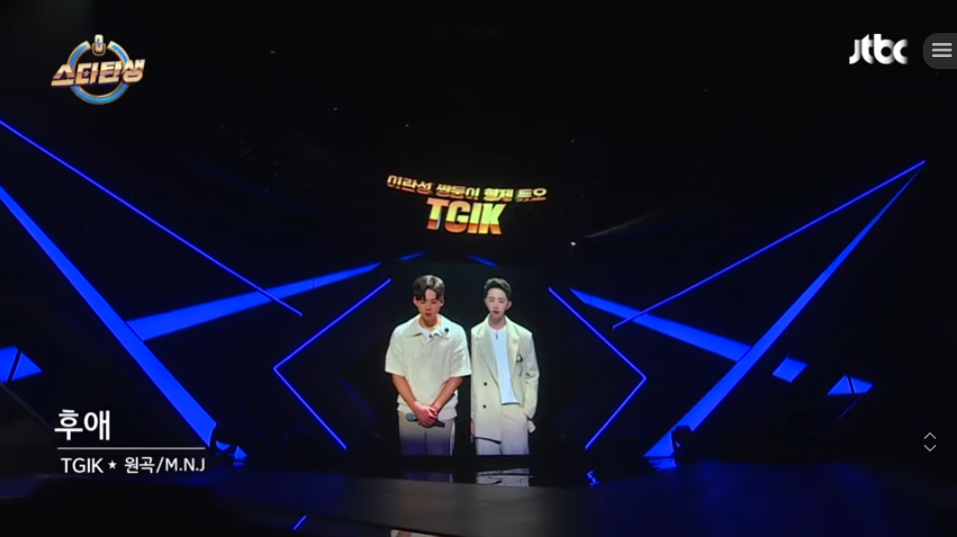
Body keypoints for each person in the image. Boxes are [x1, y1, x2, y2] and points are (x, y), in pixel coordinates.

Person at [385, 275, 471, 456]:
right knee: (412, 469)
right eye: (423, 302)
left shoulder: (456, 333)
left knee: (441, 470)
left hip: (443, 414)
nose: (428, 307)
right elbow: (397, 375)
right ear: (415, 301)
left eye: (433, 302)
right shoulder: (401, 333)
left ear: (441, 302)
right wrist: (417, 407)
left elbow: (458, 375)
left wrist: (434, 409)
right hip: (409, 413)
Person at [470, 278, 540, 455]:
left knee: (516, 468)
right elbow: (473, 378)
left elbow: (532, 374)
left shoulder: (523, 335)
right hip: (485, 412)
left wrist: (527, 412)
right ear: (485, 302)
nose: (496, 305)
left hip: (514, 410)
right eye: (492, 300)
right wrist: (473, 415)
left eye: (501, 301)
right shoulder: (475, 334)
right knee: (487, 469)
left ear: (508, 304)